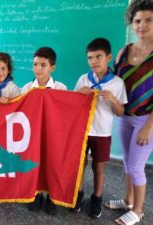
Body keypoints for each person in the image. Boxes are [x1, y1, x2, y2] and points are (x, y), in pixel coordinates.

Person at [105, 1, 153, 224]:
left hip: (147, 120)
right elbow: (113, 81)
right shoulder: (125, 51)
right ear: (132, 24)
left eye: (148, 20)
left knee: (135, 166)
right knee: (127, 162)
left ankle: (138, 211)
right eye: (137, 21)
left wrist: (148, 127)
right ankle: (127, 199)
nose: (142, 25)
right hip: (125, 117)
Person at [73, 38, 127, 218]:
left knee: (99, 166)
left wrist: (113, 99)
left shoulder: (117, 83)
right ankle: (77, 194)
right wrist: (79, 95)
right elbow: (71, 105)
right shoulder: (83, 79)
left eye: (98, 56)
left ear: (109, 57)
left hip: (102, 133)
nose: (94, 61)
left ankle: (96, 197)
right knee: (80, 165)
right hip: (82, 131)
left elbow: (120, 112)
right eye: (90, 58)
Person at [21, 47, 67, 215]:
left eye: (43, 65)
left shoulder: (61, 88)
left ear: (52, 68)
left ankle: (51, 196)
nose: (38, 69)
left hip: (53, 136)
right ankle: (36, 194)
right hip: (32, 136)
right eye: (35, 64)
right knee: (34, 164)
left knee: (51, 164)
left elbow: (66, 114)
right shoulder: (26, 88)